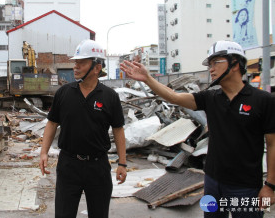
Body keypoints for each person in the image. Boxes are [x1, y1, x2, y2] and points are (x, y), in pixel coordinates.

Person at [120, 40, 275, 218]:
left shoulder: (263, 101)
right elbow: (174, 97)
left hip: (245, 186)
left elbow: (272, 145)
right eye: (209, 64)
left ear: (235, 64)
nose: (211, 68)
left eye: (216, 62)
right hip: (212, 182)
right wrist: (148, 78)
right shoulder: (210, 97)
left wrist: (270, 185)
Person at [39, 39, 127, 218]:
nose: (75, 67)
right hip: (68, 166)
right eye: (75, 62)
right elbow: (52, 123)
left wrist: (122, 163)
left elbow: (118, 130)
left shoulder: (109, 97)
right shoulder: (64, 93)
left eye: (81, 63)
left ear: (96, 67)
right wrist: (43, 152)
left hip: (98, 167)